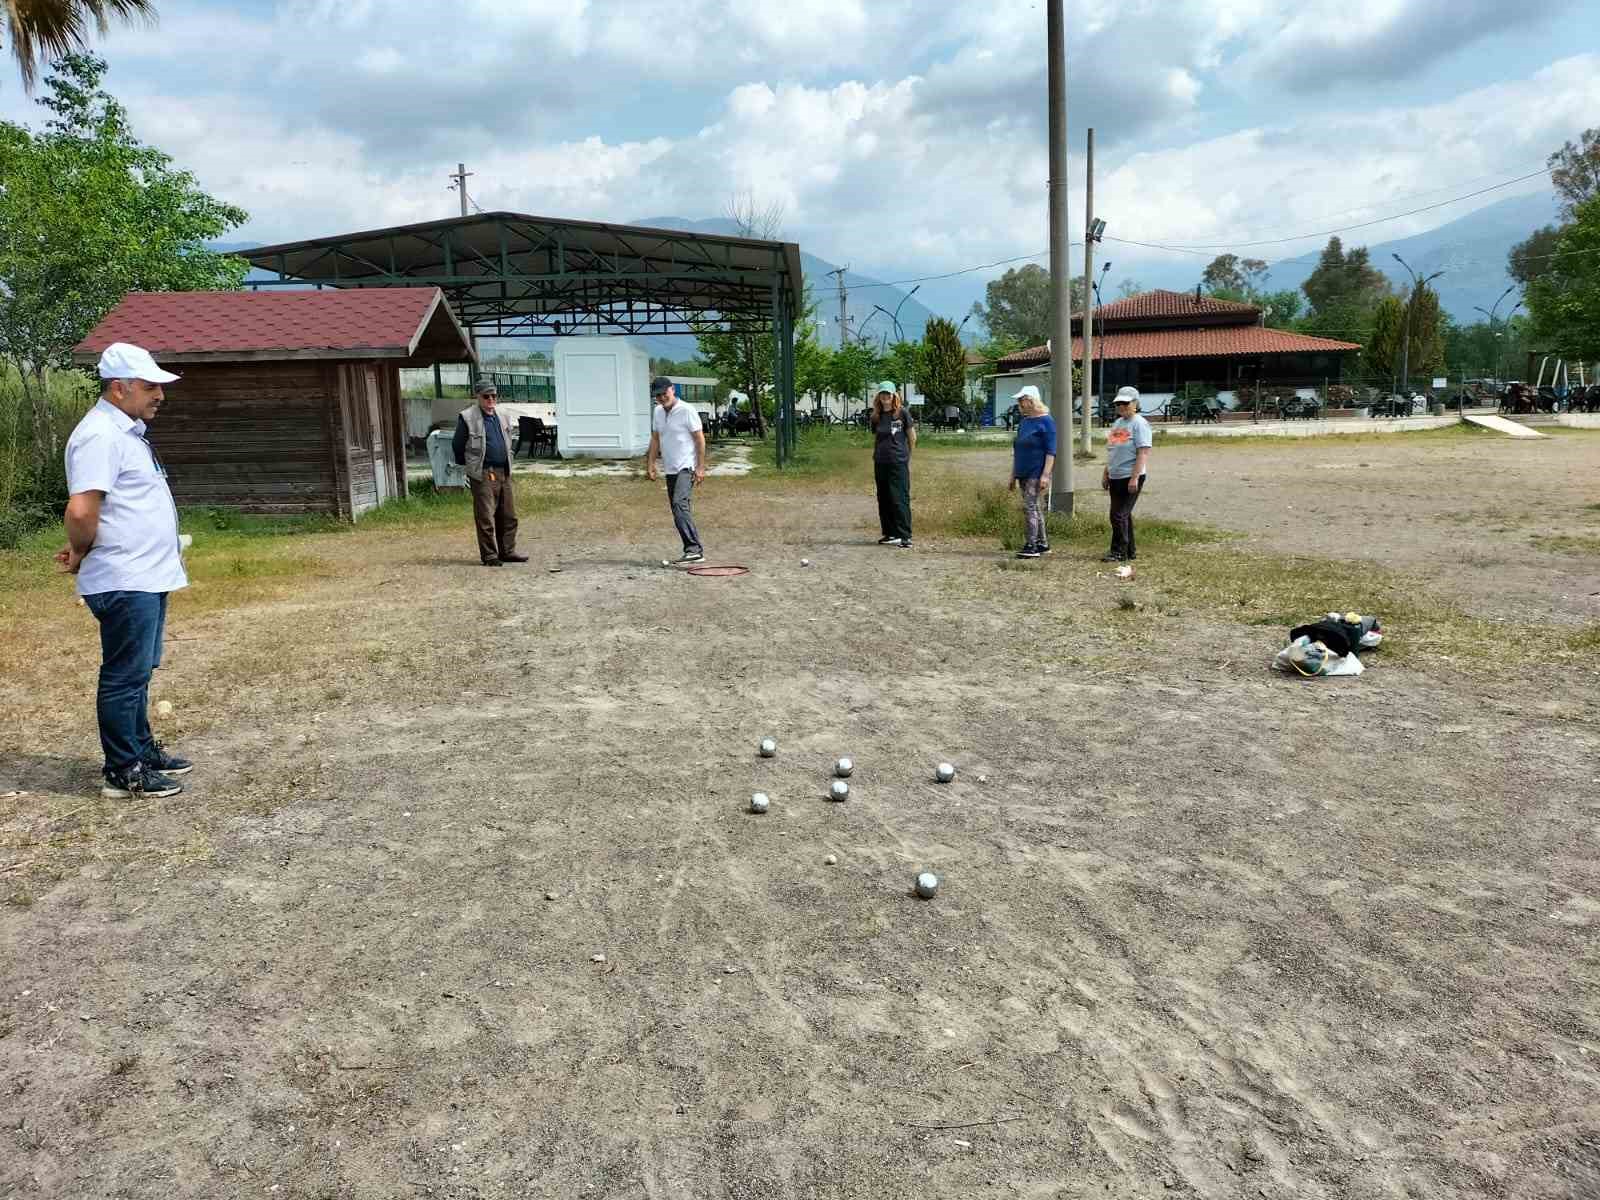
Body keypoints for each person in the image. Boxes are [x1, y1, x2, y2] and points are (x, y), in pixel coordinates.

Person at [58, 343, 193, 800]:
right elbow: (81, 509)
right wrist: (80, 551)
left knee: (138, 672)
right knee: (124, 675)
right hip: (125, 577)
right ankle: (123, 771)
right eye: (151, 386)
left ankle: (140, 750)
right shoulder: (100, 435)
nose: (160, 395)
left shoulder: (126, 433)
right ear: (120, 387)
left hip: (145, 575)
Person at [452, 379, 527, 567]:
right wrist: (469, 467)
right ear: (478, 397)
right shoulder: (467, 417)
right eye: (486, 396)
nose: (491, 400)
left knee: (508, 515)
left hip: (504, 470)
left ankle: (508, 551)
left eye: (494, 396)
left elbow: (509, 439)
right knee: (486, 515)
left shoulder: (502, 414)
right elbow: (457, 445)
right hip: (483, 472)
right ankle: (490, 555)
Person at [645, 376, 706, 563]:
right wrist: (651, 464)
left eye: (664, 393)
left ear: (672, 389)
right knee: (678, 508)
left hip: (686, 466)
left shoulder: (687, 410)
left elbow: (699, 439)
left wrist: (700, 467)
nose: (662, 398)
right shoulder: (657, 412)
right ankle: (692, 549)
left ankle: (694, 550)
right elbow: (656, 439)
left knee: (679, 504)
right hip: (670, 468)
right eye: (658, 395)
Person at [1102, 385, 1152, 562]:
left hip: (1130, 476)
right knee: (1123, 515)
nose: (1121, 406)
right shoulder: (1118, 423)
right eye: (1118, 403)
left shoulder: (1139, 423)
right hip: (1115, 476)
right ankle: (1130, 550)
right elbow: (1113, 450)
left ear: (1135, 403)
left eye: (1125, 403)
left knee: (1118, 515)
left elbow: (1143, 452)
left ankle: (1119, 551)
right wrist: (1106, 473)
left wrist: (1135, 478)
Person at [1007, 385, 1056, 559]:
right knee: (1034, 506)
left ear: (1032, 400)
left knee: (1029, 507)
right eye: (1019, 400)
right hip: (1022, 470)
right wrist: (1013, 475)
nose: (1019, 403)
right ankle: (1042, 543)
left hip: (1036, 471)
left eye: (1022, 399)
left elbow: (1051, 451)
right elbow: (1017, 449)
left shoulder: (1047, 421)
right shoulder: (1024, 422)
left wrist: (1045, 475)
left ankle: (1031, 544)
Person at [869, 381, 915, 548]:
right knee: (884, 498)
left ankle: (905, 536)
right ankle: (890, 533)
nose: (885, 396)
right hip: (881, 462)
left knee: (899, 498)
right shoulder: (876, 416)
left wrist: (907, 455)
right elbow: (877, 437)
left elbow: (912, 437)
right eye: (882, 393)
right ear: (879, 396)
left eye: (888, 394)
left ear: (894, 395)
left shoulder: (902, 413)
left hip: (898, 462)